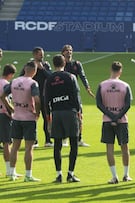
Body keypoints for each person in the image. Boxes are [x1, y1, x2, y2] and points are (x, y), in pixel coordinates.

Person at [0, 61, 41, 182]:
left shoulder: (14, 81)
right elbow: (37, 100)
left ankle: (12, 173)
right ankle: (28, 175)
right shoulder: (33, 83)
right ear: (34, 71)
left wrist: (10, 107)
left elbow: (3, 96)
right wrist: (37, 113)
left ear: (24, 69)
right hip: (28, 118)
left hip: (16, 117)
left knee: (15, 147)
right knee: (29, 148)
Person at [44, 54, 82, 183]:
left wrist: (48, 117)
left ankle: (59, 174)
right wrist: (79, 112)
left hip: (56, 113)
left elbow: (46, 100)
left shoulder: (49, 79)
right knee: (74, 143)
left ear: (53, 64)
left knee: (57, 145)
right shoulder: (70, 77)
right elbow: (76, 95)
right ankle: (70, 173)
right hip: (70, 112)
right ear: (64, 63)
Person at [96, 61, 132, 184]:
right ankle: (126, 175)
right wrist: (117, 116)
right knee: (124, 147)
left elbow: (99, 104)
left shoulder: (102, 85)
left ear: (110, 69)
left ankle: (114, 176)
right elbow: (128, 105)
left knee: (109, 148)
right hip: (122, 121)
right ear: (120, 71)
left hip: (107, 120)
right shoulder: (125, 85)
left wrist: (110, 116)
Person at [20, 47, 52, 148]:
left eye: (42, 54)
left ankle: (48, 140)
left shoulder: (46, 65)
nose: (42, 56)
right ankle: (34, 140)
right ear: (34, 55)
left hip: (44, 96)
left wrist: (42, 69)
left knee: (47, 118)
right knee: (33, 118)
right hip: (32, 97)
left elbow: (50, 77)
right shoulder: (29, 65)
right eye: (39, 54)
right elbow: (22, 77)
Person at [62, 44, 93, 147]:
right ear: (63, 53)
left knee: (79, 116)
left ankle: (79, 139)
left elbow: (83, 76)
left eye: (70, 50)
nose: (69, 52)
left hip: (75, 94)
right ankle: (65, 138)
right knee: (65, 116)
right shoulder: (61, 65)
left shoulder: (77, 64)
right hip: (63, 94)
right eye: (67, 50)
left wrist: (87, 88)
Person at [0, 64, 16, 177]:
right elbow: (7, 100)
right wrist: (11, 112)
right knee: (7, 143)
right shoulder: (7, 85)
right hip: (4, 116)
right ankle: (9, 171)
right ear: (10, 74)